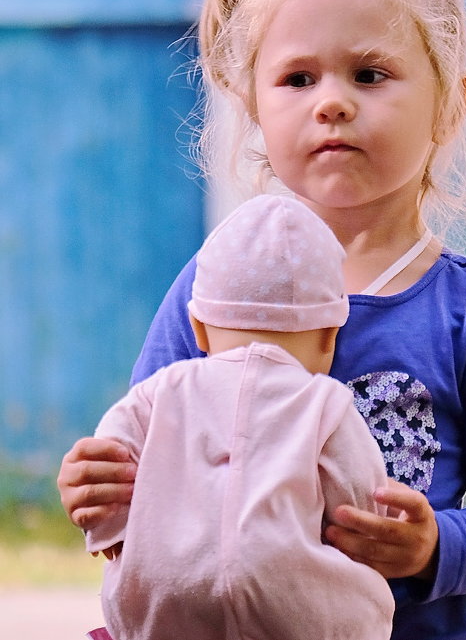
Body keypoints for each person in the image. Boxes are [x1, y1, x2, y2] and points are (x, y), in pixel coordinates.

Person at [58, 0, 466, 640]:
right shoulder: (210, 285)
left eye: (370, 73)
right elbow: (147, 462)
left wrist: (435, 544)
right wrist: (102, 487)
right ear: (255, 105)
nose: (332, 100)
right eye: (298, 78)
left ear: (450, 104)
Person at [83, 194, 394, 640]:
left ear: (198, 327)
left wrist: (108, 533)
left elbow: (111, 456)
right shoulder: (326, 403)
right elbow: (360, 505)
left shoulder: (158, 392)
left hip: (162, 596)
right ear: (330, 336)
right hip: (290, 606)